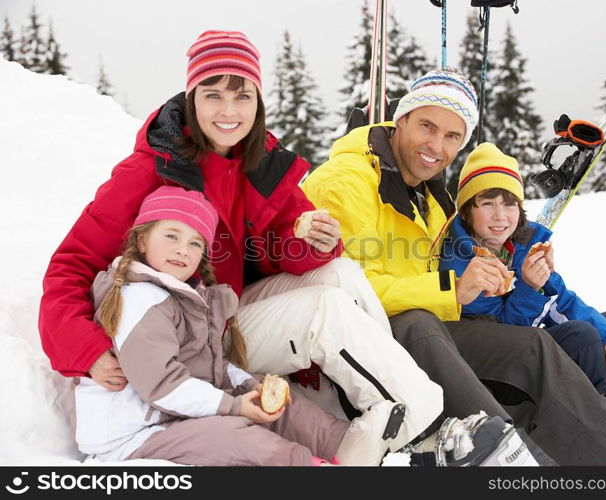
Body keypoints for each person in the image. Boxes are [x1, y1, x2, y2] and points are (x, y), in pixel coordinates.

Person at [39, 31, 531, 466]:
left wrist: (314, 242)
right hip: (182, 336)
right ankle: (420, 429)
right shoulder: (152, 170)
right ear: (192, 101)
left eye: (242, 96)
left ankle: (390, 412)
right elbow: (70, 265)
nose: (228, 112)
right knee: (324, 308)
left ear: (258, 102)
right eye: (213, 96)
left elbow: (287, 253)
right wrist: (84, 349)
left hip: (224, 316)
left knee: (340, 274)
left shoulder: (260, 164)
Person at [302, 67, 606, 466]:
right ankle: (510, 453)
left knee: (566, 339)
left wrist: (509, 282)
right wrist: (454, 289)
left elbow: (559, 297)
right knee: (524, 342)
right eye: (427, 127)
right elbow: (349, 287)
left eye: (452, 136)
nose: (437, 145)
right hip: (374, 337)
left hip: (429, 320)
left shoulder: (431, 199)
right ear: (400, 120)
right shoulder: (347, 181)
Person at [439, 141, 606, 460]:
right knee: (582, 338)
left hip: (533, 344)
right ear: (468, 210)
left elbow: (563, 300)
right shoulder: (459, 261)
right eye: (488, 203)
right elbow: (507, 339)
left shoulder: (519, 244)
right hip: (503, 372)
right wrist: (529, 289)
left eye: (510, 204)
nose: (501, 216)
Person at [77, 186, 353, 465]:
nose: (183, 250)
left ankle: (343, 442)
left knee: (267, 393)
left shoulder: (187, 298)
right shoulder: (138, 299)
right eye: (172, 235)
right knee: (234, 437)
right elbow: (162, 385)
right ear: (142, 241)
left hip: (174, 415)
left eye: (196, 243)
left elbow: (208, 366)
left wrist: (245, 385)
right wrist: (234, 406)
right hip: (134, 433)